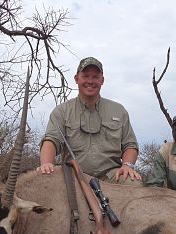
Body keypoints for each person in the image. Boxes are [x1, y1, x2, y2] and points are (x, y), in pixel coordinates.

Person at [37, 56, 142, 185]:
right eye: (86, 76)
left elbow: (130, 145)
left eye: (95, 77)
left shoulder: (119, 110)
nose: (90, 81)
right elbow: (51, 140)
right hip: (73, 176)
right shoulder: (61, 111)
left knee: (133, 182)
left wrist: (127, 166)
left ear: (102, 80)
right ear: (76, 79)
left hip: (111, 175)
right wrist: (47, 164)